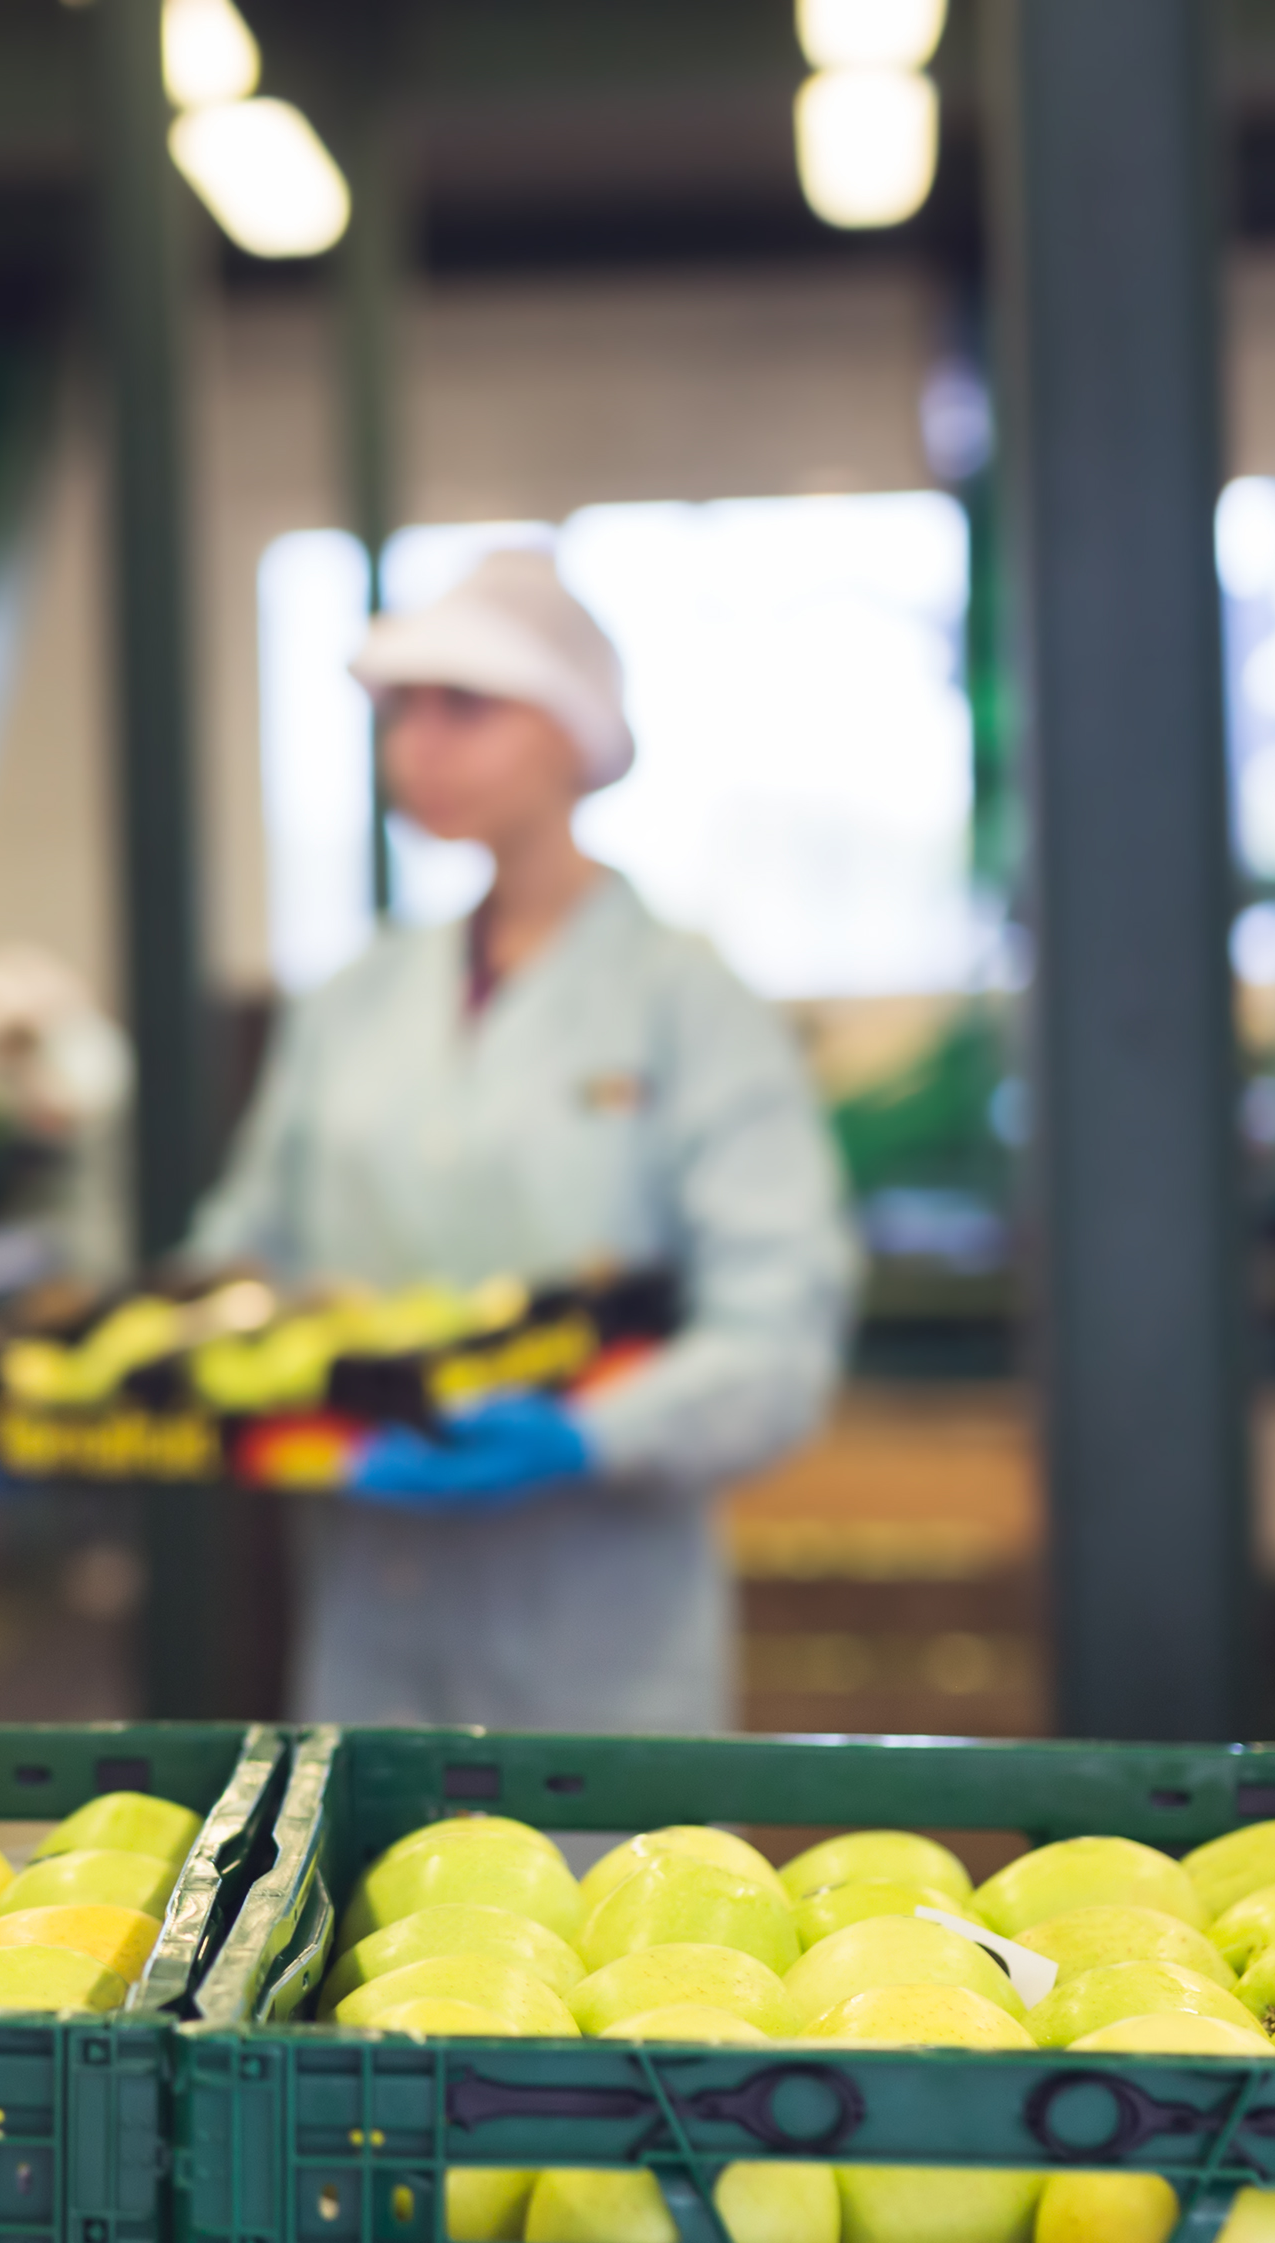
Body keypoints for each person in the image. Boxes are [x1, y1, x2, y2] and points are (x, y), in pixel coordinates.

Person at [189, 548, 858, 1730]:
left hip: (598, 1640)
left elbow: (778, 1331)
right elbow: (244, 1248)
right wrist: (109, 1381)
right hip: (366, 1624)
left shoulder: (685, 1001)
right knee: (375, 1904)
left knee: (610, 1907)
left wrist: (586, 1434)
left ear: (572, 732)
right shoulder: (353, 1002)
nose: (419, 745)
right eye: (403, 712)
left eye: (466, 708)